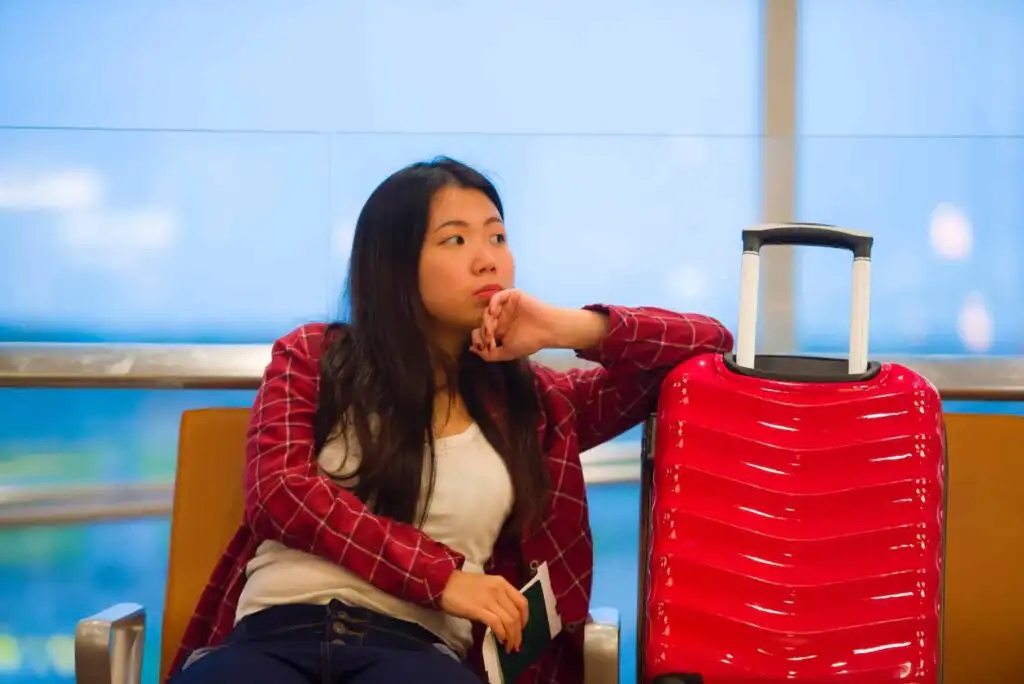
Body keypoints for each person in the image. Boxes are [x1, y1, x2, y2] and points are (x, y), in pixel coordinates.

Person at [168, 157, 733, 684]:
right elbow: (279, 492)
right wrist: (443, 579)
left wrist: (565, 327)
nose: (487, 257)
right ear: (394, 263)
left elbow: (708, 344)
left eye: (498, 236)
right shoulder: (314, 356)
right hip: (273, 638)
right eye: (455, 239)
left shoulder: (535, 406)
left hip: (415, 655)